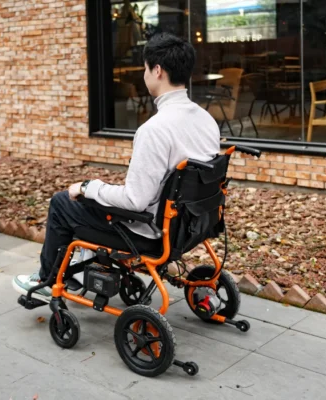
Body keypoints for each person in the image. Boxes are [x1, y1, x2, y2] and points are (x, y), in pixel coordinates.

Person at [13, 32, 221, 302]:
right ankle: (79, 271)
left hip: (152, 233)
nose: (144, 74)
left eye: (145, 68)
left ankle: (46, 280)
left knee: (64, 202)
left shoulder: (155, 130)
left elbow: (135, 200)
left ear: (157, 70)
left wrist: (88, 187)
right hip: (193, 225)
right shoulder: (206, 120)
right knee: (91, 198)